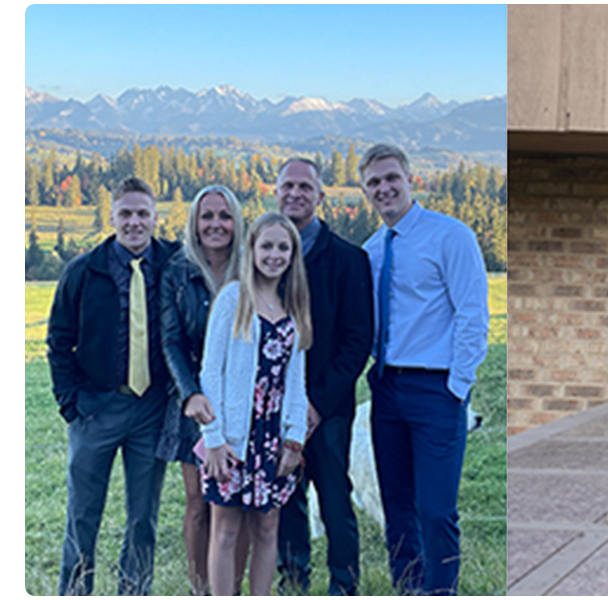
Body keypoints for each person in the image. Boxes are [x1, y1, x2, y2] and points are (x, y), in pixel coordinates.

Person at [361, 143, 489, 595]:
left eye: (391, 177)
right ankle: (409, 589)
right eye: (374, 182)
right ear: (365, 191)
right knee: (398, 508)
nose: (384, 188)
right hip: (387, 388)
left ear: (410, 179)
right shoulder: (372, 250)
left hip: (437, 391)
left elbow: (473, 315)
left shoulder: (450, 236)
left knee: (436, 509)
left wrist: (458, 386)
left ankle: (441, 591)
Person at [47, 176, 182, 595]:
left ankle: (134, 591)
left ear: (156, 218)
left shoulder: (175, 265)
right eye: (126, 213)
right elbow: (58, 341)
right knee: (83, 514)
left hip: (151, 411)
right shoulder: (83, 271)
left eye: (143, 213)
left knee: (143, 517)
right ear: (111, 217)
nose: (134, 222)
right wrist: (71, 406)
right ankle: (75, 591)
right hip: (96, 409)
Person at [274, 158, 374, 595]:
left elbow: (358, 341)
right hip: (274, 406)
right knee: (286, 504)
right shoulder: (265, 255)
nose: (295, 193)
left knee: (335, 503)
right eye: (287, 186)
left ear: (320, 195)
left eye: (304, 187)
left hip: (329, 410)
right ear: (276, 192)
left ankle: (343, 588)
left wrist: (316, 404)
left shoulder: (350, 260)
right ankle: (293, 585)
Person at [198, 211, 311, 596]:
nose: (274, 255)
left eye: (283, 247)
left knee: (267, 527)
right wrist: (213, 438)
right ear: (252, 250)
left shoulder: (292, 307)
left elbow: (297, 382)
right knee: (226, 529)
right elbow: (211, 373)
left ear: (293, 254)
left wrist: (294, 439)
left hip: (273, 439)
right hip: (233, 437)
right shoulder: (233, 298)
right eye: (267, 246)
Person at [156, 184, 246, 595]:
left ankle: (231, 587)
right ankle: (200, 589)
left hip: (242, 400)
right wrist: (190, 392)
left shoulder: (250, 267)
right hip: (194, 402)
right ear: (194, 222)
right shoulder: (178, 270)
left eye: (224, 216)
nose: (215, 224)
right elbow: (171, 339)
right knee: (198, 504)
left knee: (235, 504)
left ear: (237, 221)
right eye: (206, 216)